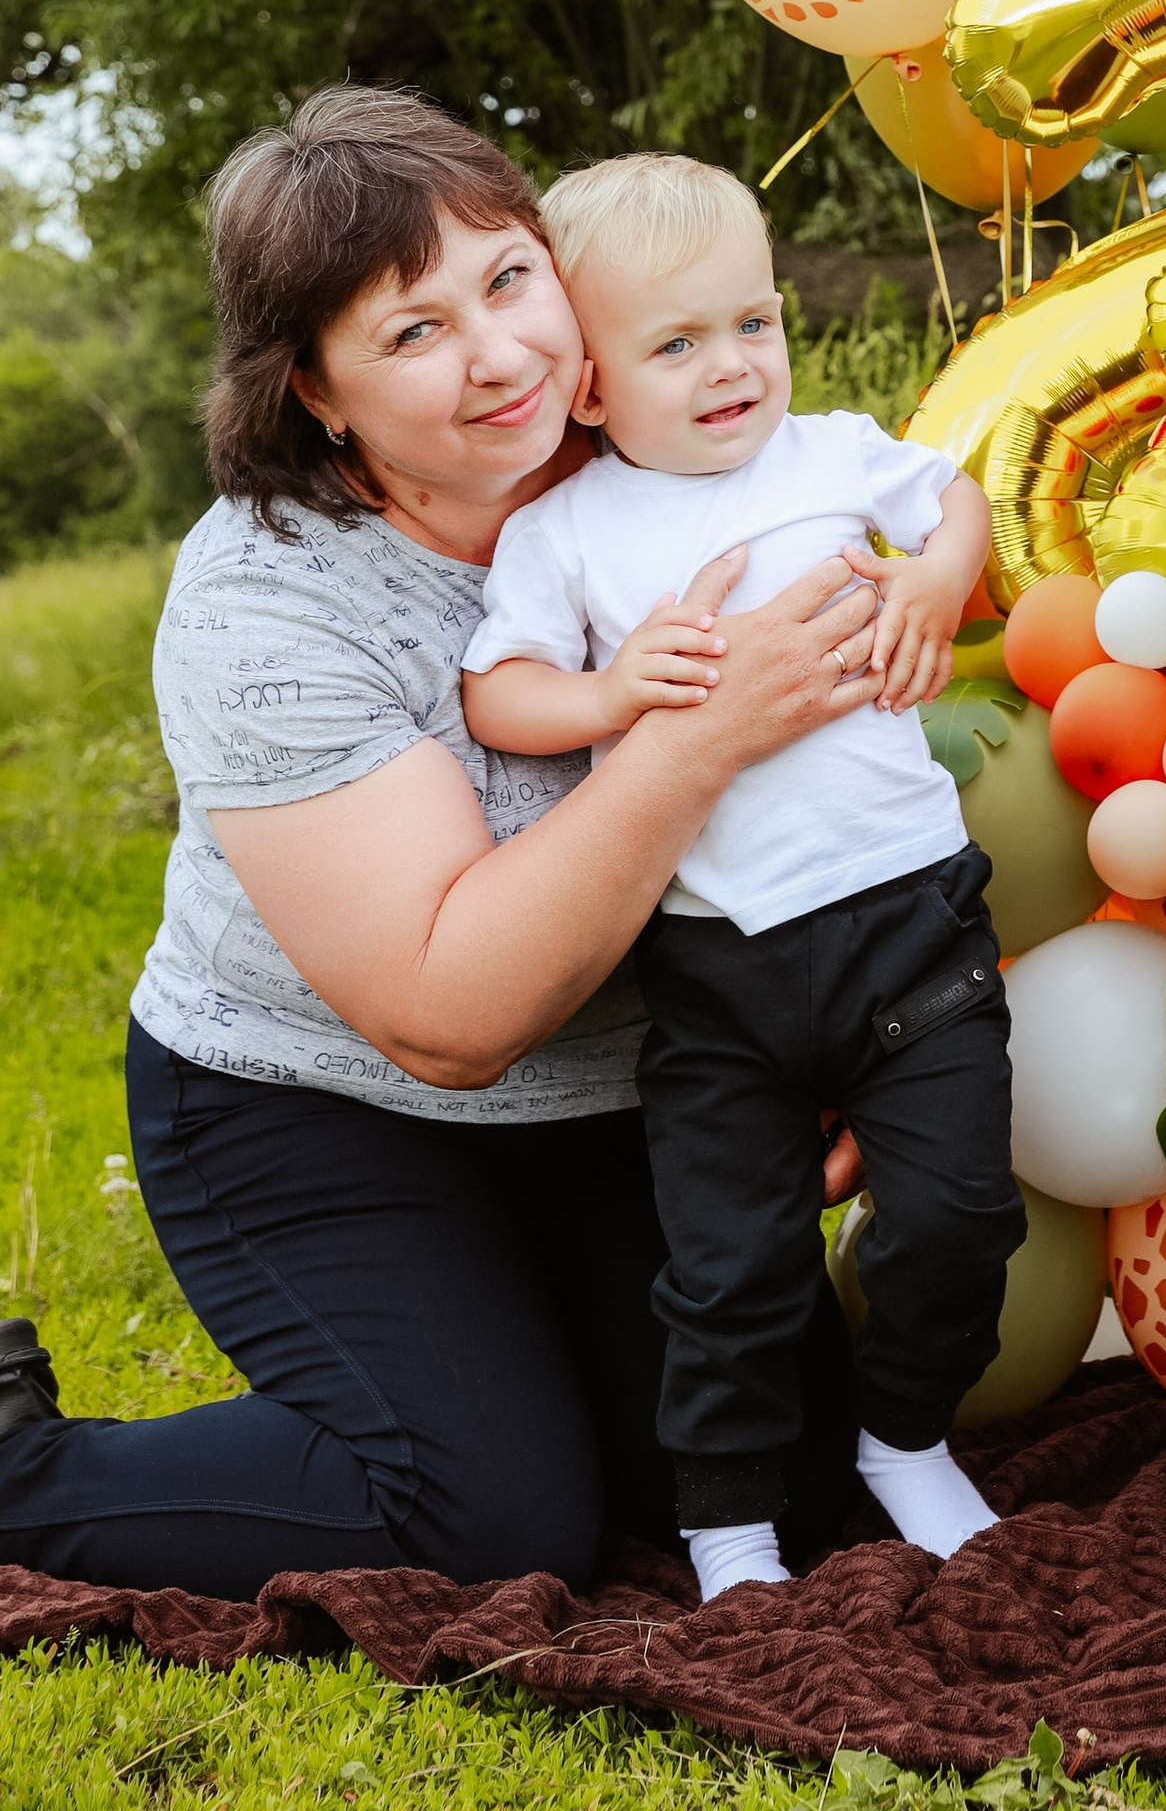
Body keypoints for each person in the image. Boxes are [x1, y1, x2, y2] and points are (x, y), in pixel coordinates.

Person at [0, 86, 890, 1603]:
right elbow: (448, 1017)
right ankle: (22, 1467)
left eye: (509, 278)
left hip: (631, 1087)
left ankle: (538, 1362)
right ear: (315, 391)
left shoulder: (673, 446)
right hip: (316, 1107)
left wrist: (838, 1038)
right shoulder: (267, 603)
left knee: (791, 1493)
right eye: (414, 331)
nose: (502, 356)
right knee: (482, 1517)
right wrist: (701, 737)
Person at [461, 153, 1022, 1599]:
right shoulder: (566, 532)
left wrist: (933, 581)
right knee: (730, 1271)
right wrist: (610, 694)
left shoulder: (831, 455)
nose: (731, 366)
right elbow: (499, 690)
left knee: (962, 1216)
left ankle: (905, 1433)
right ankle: (728, 1524)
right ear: (590, 387)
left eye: (753, 323)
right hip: (721, 971)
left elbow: (957, 503)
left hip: (913, 921)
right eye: (676, 343)